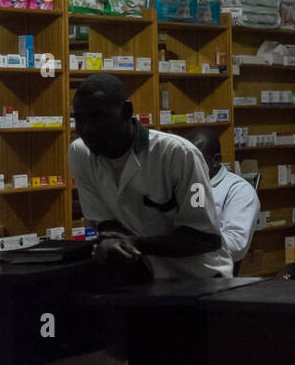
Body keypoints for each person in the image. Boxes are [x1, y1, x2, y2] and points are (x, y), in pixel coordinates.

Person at [69, 74, 231, 279]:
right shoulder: (80, 153)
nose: (87, 129)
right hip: (145, 275)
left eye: (99, 117)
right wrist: (114, 241)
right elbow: (105, 222)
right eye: (79, 120)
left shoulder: (178, 154)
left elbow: (204, 237)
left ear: (127, 111)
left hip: (201, 278)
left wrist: (131, 243)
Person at [184, 128, 260, 274]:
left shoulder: (238, 190)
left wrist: (191, 241)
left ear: (216, 160)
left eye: (195, 159)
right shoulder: (183, 183)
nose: (187, 165)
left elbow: (237, 245)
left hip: (210, 274)